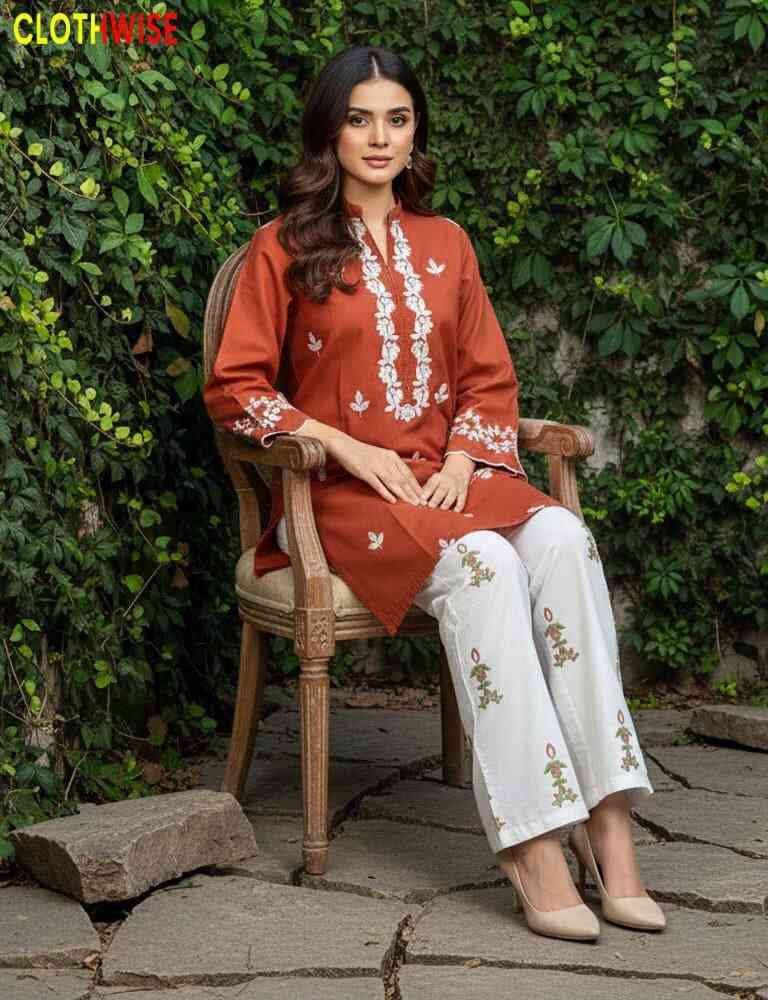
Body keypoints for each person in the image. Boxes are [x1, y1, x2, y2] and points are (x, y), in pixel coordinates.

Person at [203, 44, 665, 942]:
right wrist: (335, 441)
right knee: (487, 566)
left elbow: (489, 382)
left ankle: (609, 823)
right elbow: (237, 389)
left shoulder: (447, 243)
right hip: (344, 498)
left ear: (417, 132)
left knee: (564, 538)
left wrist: (463, 459)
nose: (380, 137)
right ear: (330, 130)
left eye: (398, 118)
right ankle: (532, 841)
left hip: (451, 481)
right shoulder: (284, 248)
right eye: (360, 118)